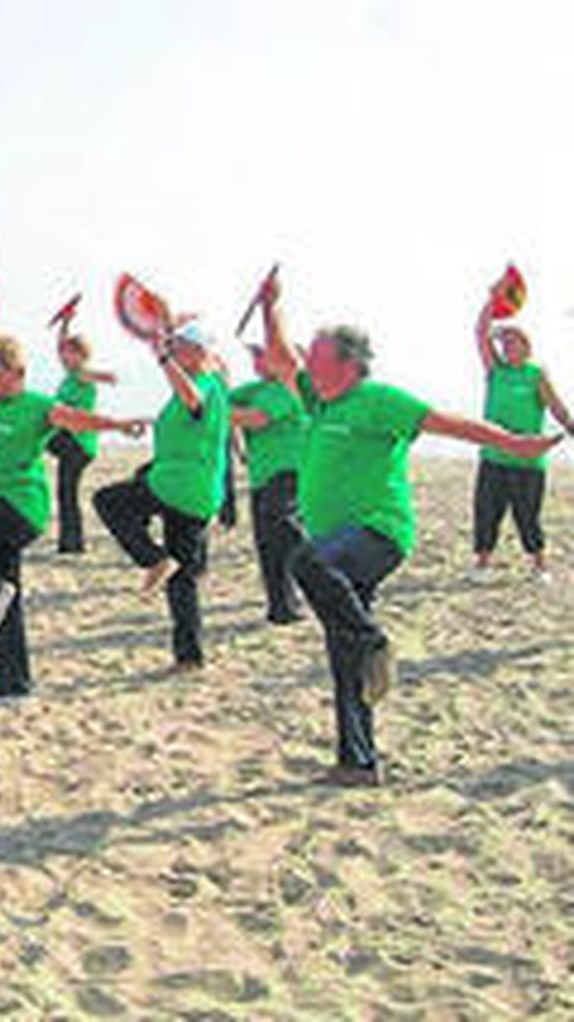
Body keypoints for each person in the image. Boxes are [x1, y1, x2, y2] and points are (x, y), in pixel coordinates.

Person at [257, 277, 561, 787]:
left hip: (377, 533)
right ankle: (358, 762)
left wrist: (512, 442)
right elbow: (282, 358)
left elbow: (449, 424)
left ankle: (373, 640)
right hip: (339, 541)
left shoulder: (379, 399)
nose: (308, 362)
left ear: (349, 365)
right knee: (342, 654)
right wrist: (271, 308)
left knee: (306, 562)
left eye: (318, 357)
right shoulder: (320, 401)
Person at [0, 336, 144, 696]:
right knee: (4, 606)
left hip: (19, 507)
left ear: (15, 372)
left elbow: (76, 420)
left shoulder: (36, 405)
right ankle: (12, 684)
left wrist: (119, 426)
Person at [93, 319, 230, 671]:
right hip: (194, 493)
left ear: (198, 353)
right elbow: (188, 424)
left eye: (179, 347)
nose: (173, 351)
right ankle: (189, 656)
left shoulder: (205, 384)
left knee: (108, 501)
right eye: (173, 347)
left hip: (177, 485)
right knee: (182, 577)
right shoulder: (201, 387)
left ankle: (153, 558)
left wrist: (162, 358)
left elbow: (193, 400)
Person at [468, 296, 574, 582]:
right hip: (493, 457)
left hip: (528, 461)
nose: (507, 348)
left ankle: (540, 567)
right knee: (486, 513)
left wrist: (569, 425)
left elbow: (555, 406)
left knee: (527, 516)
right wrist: (493, 300)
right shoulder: (496, 372)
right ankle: (482, 565)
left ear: (527, 346)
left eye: (513, 342)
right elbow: (480, 332)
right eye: (504, 343)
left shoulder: (536, 374)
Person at [230, 342, 308, 623]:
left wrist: (210, 414)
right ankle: (282, 608)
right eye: (254, 356)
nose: (257, 361)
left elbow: (257, 419)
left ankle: (324, 564)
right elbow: (215, 400)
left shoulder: (290, 387)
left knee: (283, 526)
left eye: (262, 355)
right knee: (268, 545)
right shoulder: (256, 390)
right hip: (261, 475)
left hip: (291, 471)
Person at [48, 331, 118, 554]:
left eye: (71, 353)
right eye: (64, 353)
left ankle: (72, 544)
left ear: (82, 355)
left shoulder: (81, 374)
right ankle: (70, 543)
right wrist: (65, 324)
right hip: (70, 440)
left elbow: (100, 376)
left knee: (66, 492)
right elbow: (60, 347)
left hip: (78, 443)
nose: (65, 356)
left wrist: (106, 377)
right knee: (65, 492)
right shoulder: (70, 375)